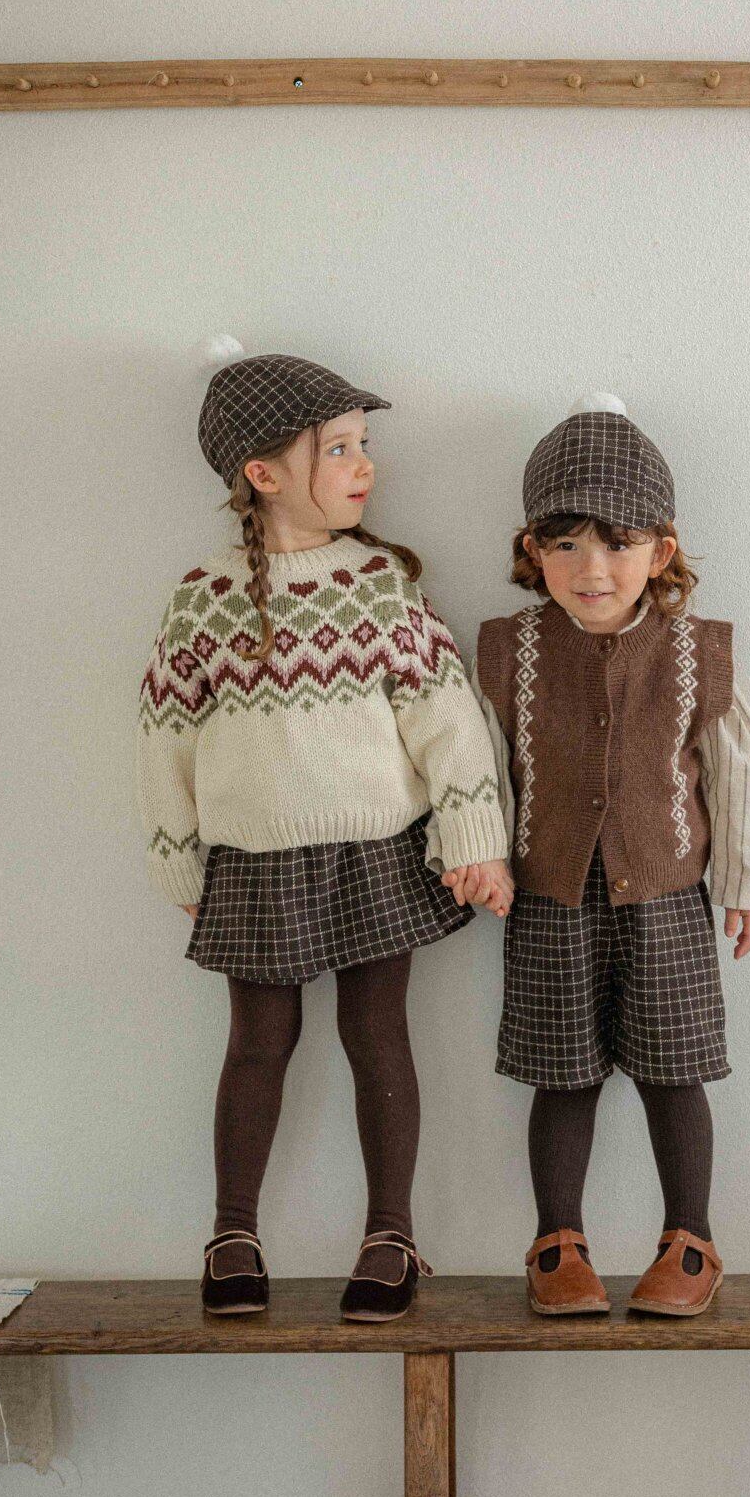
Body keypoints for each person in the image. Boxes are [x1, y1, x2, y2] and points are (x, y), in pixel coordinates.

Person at [137, 341, 509, 1321]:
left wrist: (473, 836)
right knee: (258, 1042)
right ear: (263, 473)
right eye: (338, 448)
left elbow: (447, 715)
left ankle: (391, 1235)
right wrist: (176, 852)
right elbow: (165, 731)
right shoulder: (205, 597)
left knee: (377, 1035)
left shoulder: (379, 582)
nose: (363, 465)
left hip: (375, 849)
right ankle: (232, 1233)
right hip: (253, 860)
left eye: (362, 445)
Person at [456, 392, 750, 1316]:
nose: (592, 569)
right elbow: (478, 767)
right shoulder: (507, 651)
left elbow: (737, 766)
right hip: (548, 896)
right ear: (533, 550)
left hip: (667, 893)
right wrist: (480, 853)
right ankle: (558, 1243)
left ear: (660, 552)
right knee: (564, 1073)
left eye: (618, 544)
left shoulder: (694, 652)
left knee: (675, 1069)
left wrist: (743, 883)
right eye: (565, 545)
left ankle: (692, 1240)